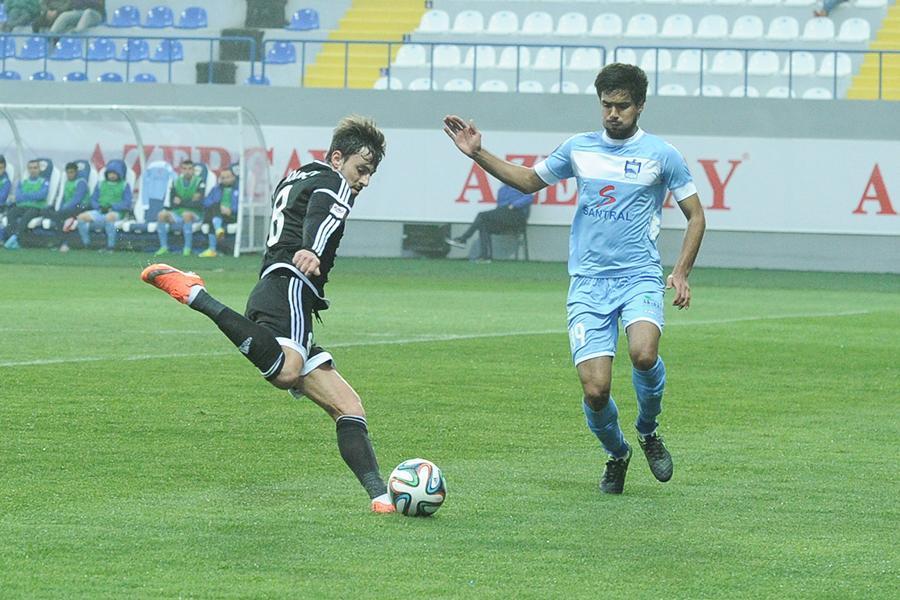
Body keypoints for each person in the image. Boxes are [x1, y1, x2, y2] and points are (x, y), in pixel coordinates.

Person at [443, 63, 706, 495]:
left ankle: (648, 430)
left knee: (643, 354)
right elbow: (528, 181)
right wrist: (477, 153)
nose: (613, 114)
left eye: (622, 106)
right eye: (606, 105)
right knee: (596, 390)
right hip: (588, 283)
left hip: (639, 276)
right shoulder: (579, 148)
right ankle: (617, 453)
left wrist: (680, 272)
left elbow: (695, 215)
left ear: (640, 105)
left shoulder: (663, 155)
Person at [141, 115, 396, 513]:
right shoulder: (333, 182)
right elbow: (323, 213)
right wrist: (311, 248)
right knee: (286, 372)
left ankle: (382, 498)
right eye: (361, 169)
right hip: (290, 284)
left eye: (371, 174)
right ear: (337, 158)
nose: (364, 181)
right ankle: (196, 295)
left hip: (275, 288)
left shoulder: (298, 175)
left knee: (348, 407)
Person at [446, 184, 533, 261]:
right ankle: (485, 256)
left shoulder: (521, 186)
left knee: (481, 215)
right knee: (484, 225)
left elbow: (529, 197)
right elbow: (499, 208)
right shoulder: (502, 189)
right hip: (504, 214)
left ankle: (463, 239)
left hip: (517, 216)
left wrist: (514, 205)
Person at [75, 159, 131, 251]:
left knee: (109, 217)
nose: (112, 175)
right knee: (81, 217)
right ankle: (87, 244)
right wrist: (98, 206)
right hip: (100, 211)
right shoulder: (100, 184)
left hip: (116, 212)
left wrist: (112, 207)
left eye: (114, 173)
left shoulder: (124, 185)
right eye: (110, 173)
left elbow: (127, 203)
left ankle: (110, 246)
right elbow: (93, 199)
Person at [155, 159, 207, 257]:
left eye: (190, 169)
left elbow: (198, 204)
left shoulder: (200, 182)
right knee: (161, 215)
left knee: (186, 215)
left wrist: (181, 202)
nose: (187, 171)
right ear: (181, 170)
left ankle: (187, 248)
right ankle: (164, 247)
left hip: (195, 213)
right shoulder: (175, 182)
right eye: (185, 169)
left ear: (193, 170)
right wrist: (190, 201)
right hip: (178, 212)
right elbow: (172, 203)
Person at [3, 159, 50, 250]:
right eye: (30, 168)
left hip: (37, 208)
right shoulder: (23, 182)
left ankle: (16, 239)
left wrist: (26, 195)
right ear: (28, 169)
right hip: (22, 206)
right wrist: (33, 195)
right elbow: (18, 196)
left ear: (39, 169)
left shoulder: (44, 182)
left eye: (35, 168)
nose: (33, 170)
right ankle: (12, 237)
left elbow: (42, 195)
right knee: (11, 213)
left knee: (26, 217)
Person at [198, 166, 239, 258]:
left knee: (213, 218)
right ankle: (218, 229)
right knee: (215, 206)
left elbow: (242, 204)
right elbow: (206, 202)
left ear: (233, 177)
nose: (225, 180)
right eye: (223, 178)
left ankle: (212, 249)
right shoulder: (216, 189)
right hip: (218, 214)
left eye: (228, 177)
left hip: (232, 215)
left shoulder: (239, 189)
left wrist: (231, 210)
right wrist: (220, 207)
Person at [50, 161, 90, 252]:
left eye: (72, 172)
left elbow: (77, 199)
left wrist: (63, 209)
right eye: (68, 172)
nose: (70, 174)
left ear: (76, 172)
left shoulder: (81, 182)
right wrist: (60, 208)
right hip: (70, 208)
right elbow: (64, 198)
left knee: (60, 216)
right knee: (50, 212)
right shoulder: (67, 183)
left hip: (82, 207)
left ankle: (63, 243)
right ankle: (61, 242)